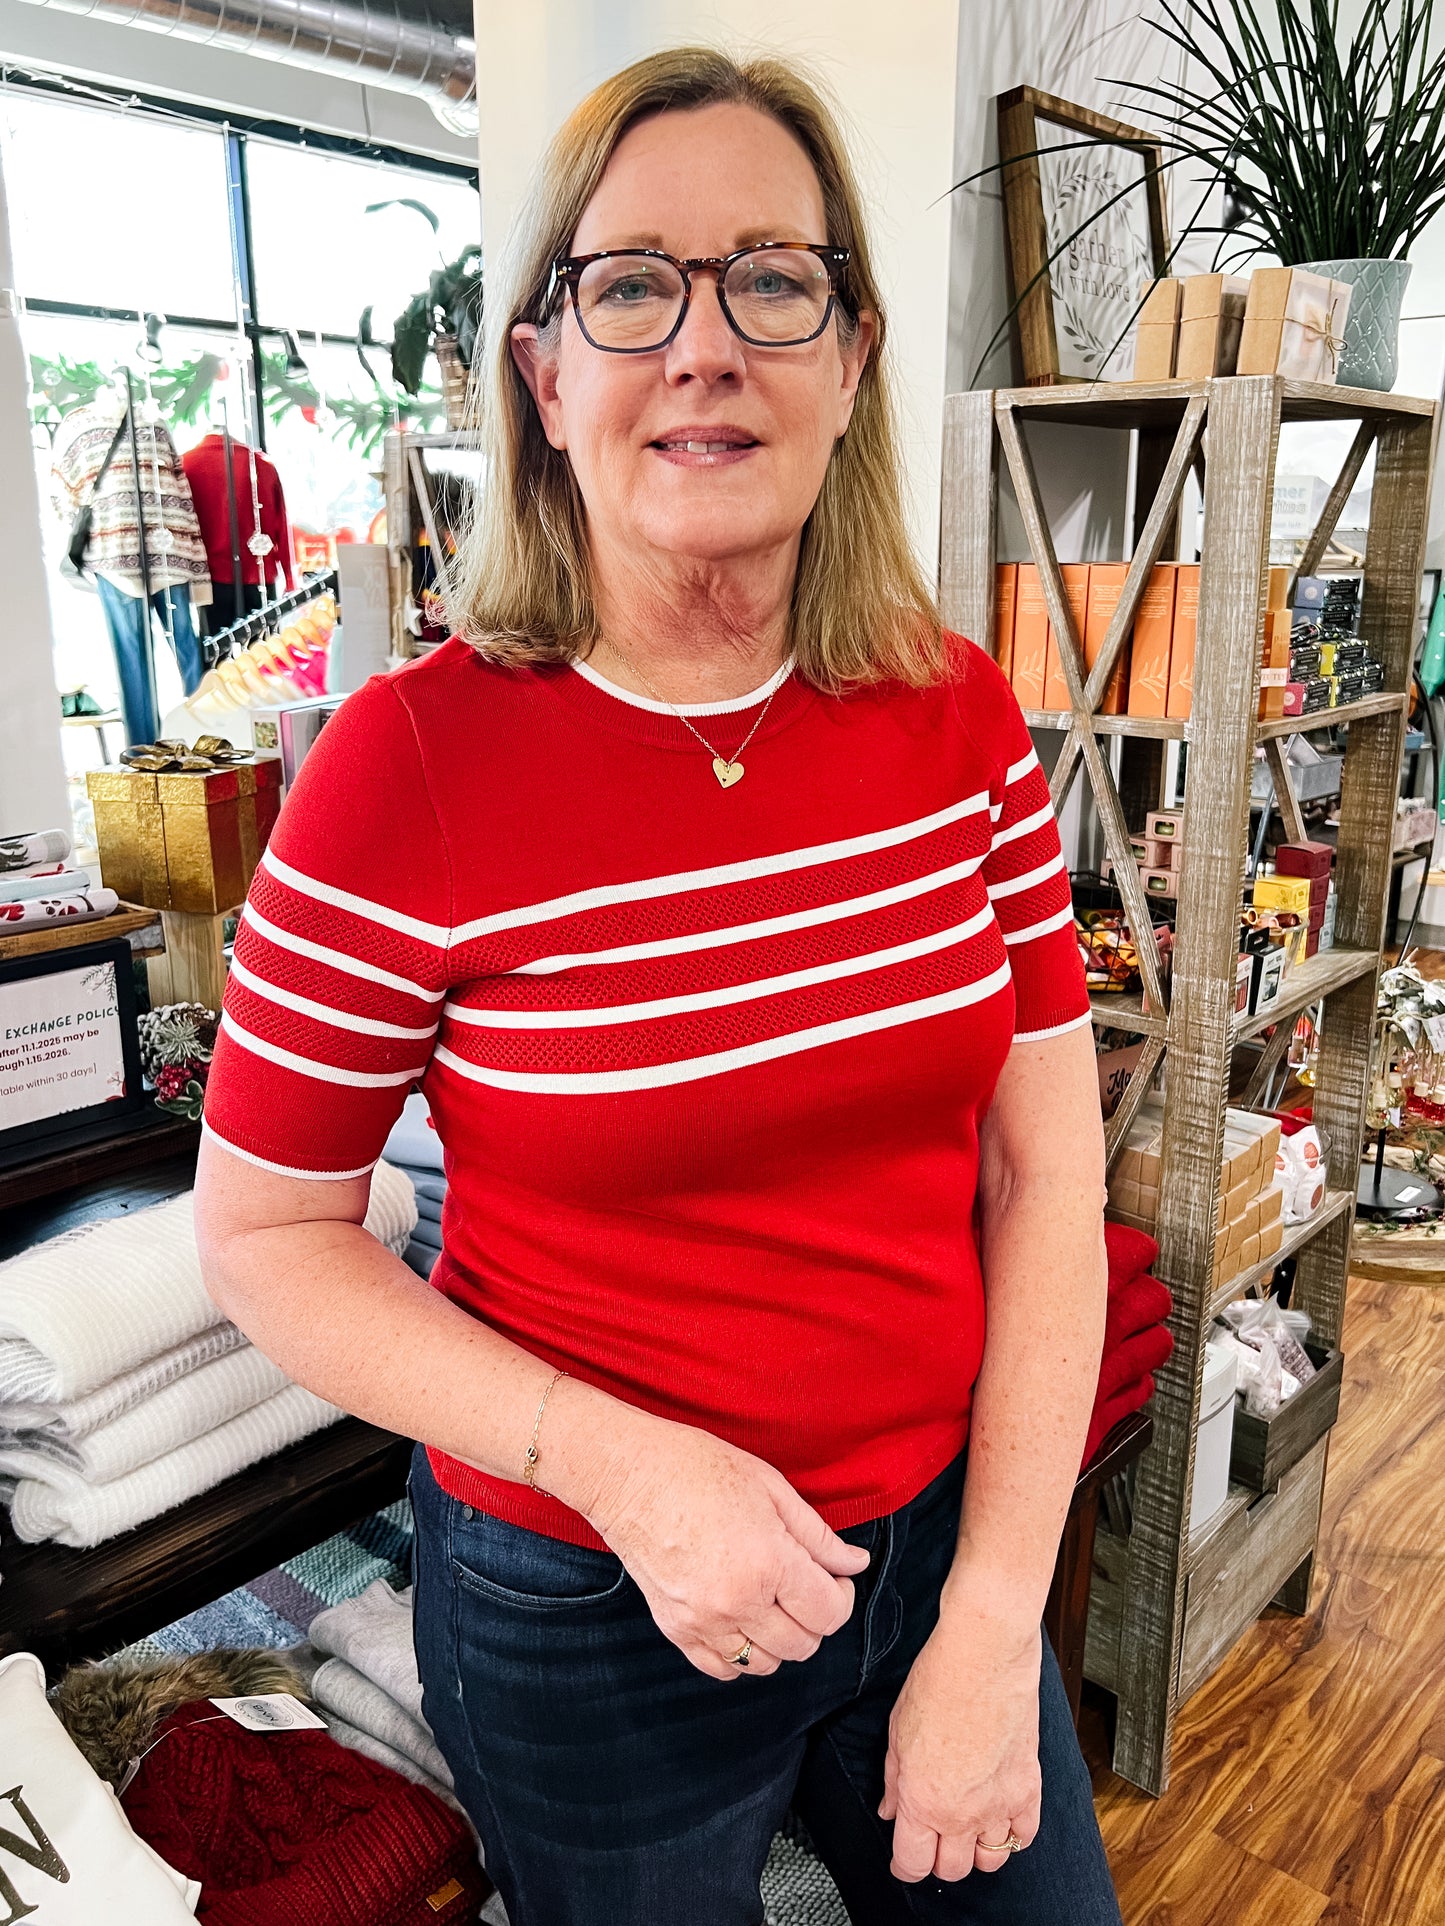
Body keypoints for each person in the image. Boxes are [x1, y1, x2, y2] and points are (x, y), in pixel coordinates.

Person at [195, 46, 1119, 1926]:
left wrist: (995, 1606)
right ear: (546, 373)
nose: (706, 347)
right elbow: (270, 1232)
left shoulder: (957, 722)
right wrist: (619, 1467)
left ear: (850, 355)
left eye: (770, 280)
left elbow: (1048, 1179)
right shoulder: (405, 768)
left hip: (947, 1542)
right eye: (632, 286)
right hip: (580, 1606)